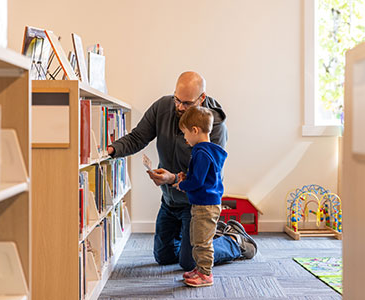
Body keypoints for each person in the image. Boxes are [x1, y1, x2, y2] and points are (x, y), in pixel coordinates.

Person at [107, 71, 257, 272]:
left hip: (196, 205)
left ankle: (234, 241)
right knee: (164, 258)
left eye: (187, 103)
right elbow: (137, 138)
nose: (179, 106)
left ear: (201, 99)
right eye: (177, 99)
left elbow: (208, 178)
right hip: (169, 201)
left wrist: (172, 178)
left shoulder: (216, 128)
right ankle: (199, 240)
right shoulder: (163, 107)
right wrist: (111, 150)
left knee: (190, 262)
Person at [173, 106, 227, 287]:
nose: (185, 138)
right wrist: (186, 177)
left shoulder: (202, 152)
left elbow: (197, 182)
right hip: (202, 203)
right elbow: (200, 177)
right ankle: (199, 268)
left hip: (206, 205)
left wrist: (182, 184)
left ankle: (205, 275)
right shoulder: (206, 150)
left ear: (195, 130)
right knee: (197, 238)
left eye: (185, 133)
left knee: (202, 241)